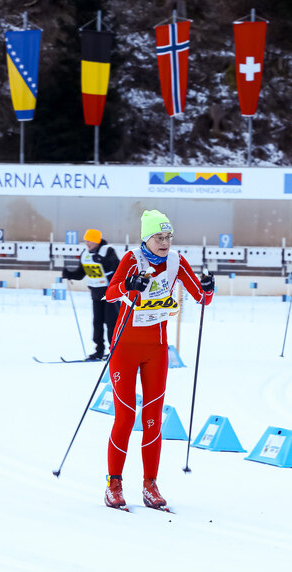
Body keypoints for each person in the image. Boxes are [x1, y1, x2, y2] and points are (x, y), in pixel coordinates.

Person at [103, 209, 215, 510]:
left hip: (156, 349)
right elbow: (111, 293)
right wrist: (129, 286)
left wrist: (208, 288)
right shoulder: (131, 260)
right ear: (146, 238)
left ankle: (150, 484)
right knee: (126, 417)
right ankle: (114, 484)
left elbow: (201, 298)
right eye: (158, 237)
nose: (165, 243)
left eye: (168, 237)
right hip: (125, 348)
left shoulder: (176, 261)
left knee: (153, 419)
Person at [62, 229, 120, 360]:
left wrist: (102, 261)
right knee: (97, 323)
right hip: (96, 293)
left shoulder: (107, 251)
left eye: (89, 241)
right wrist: (69, 274)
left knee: (111, 323)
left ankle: (114, 350)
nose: (86, 243)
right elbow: (81, 273)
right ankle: (99, 351)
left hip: (110, 293)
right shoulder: (85, 254)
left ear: (96, 241)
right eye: (86, 241)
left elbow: (117, 268)